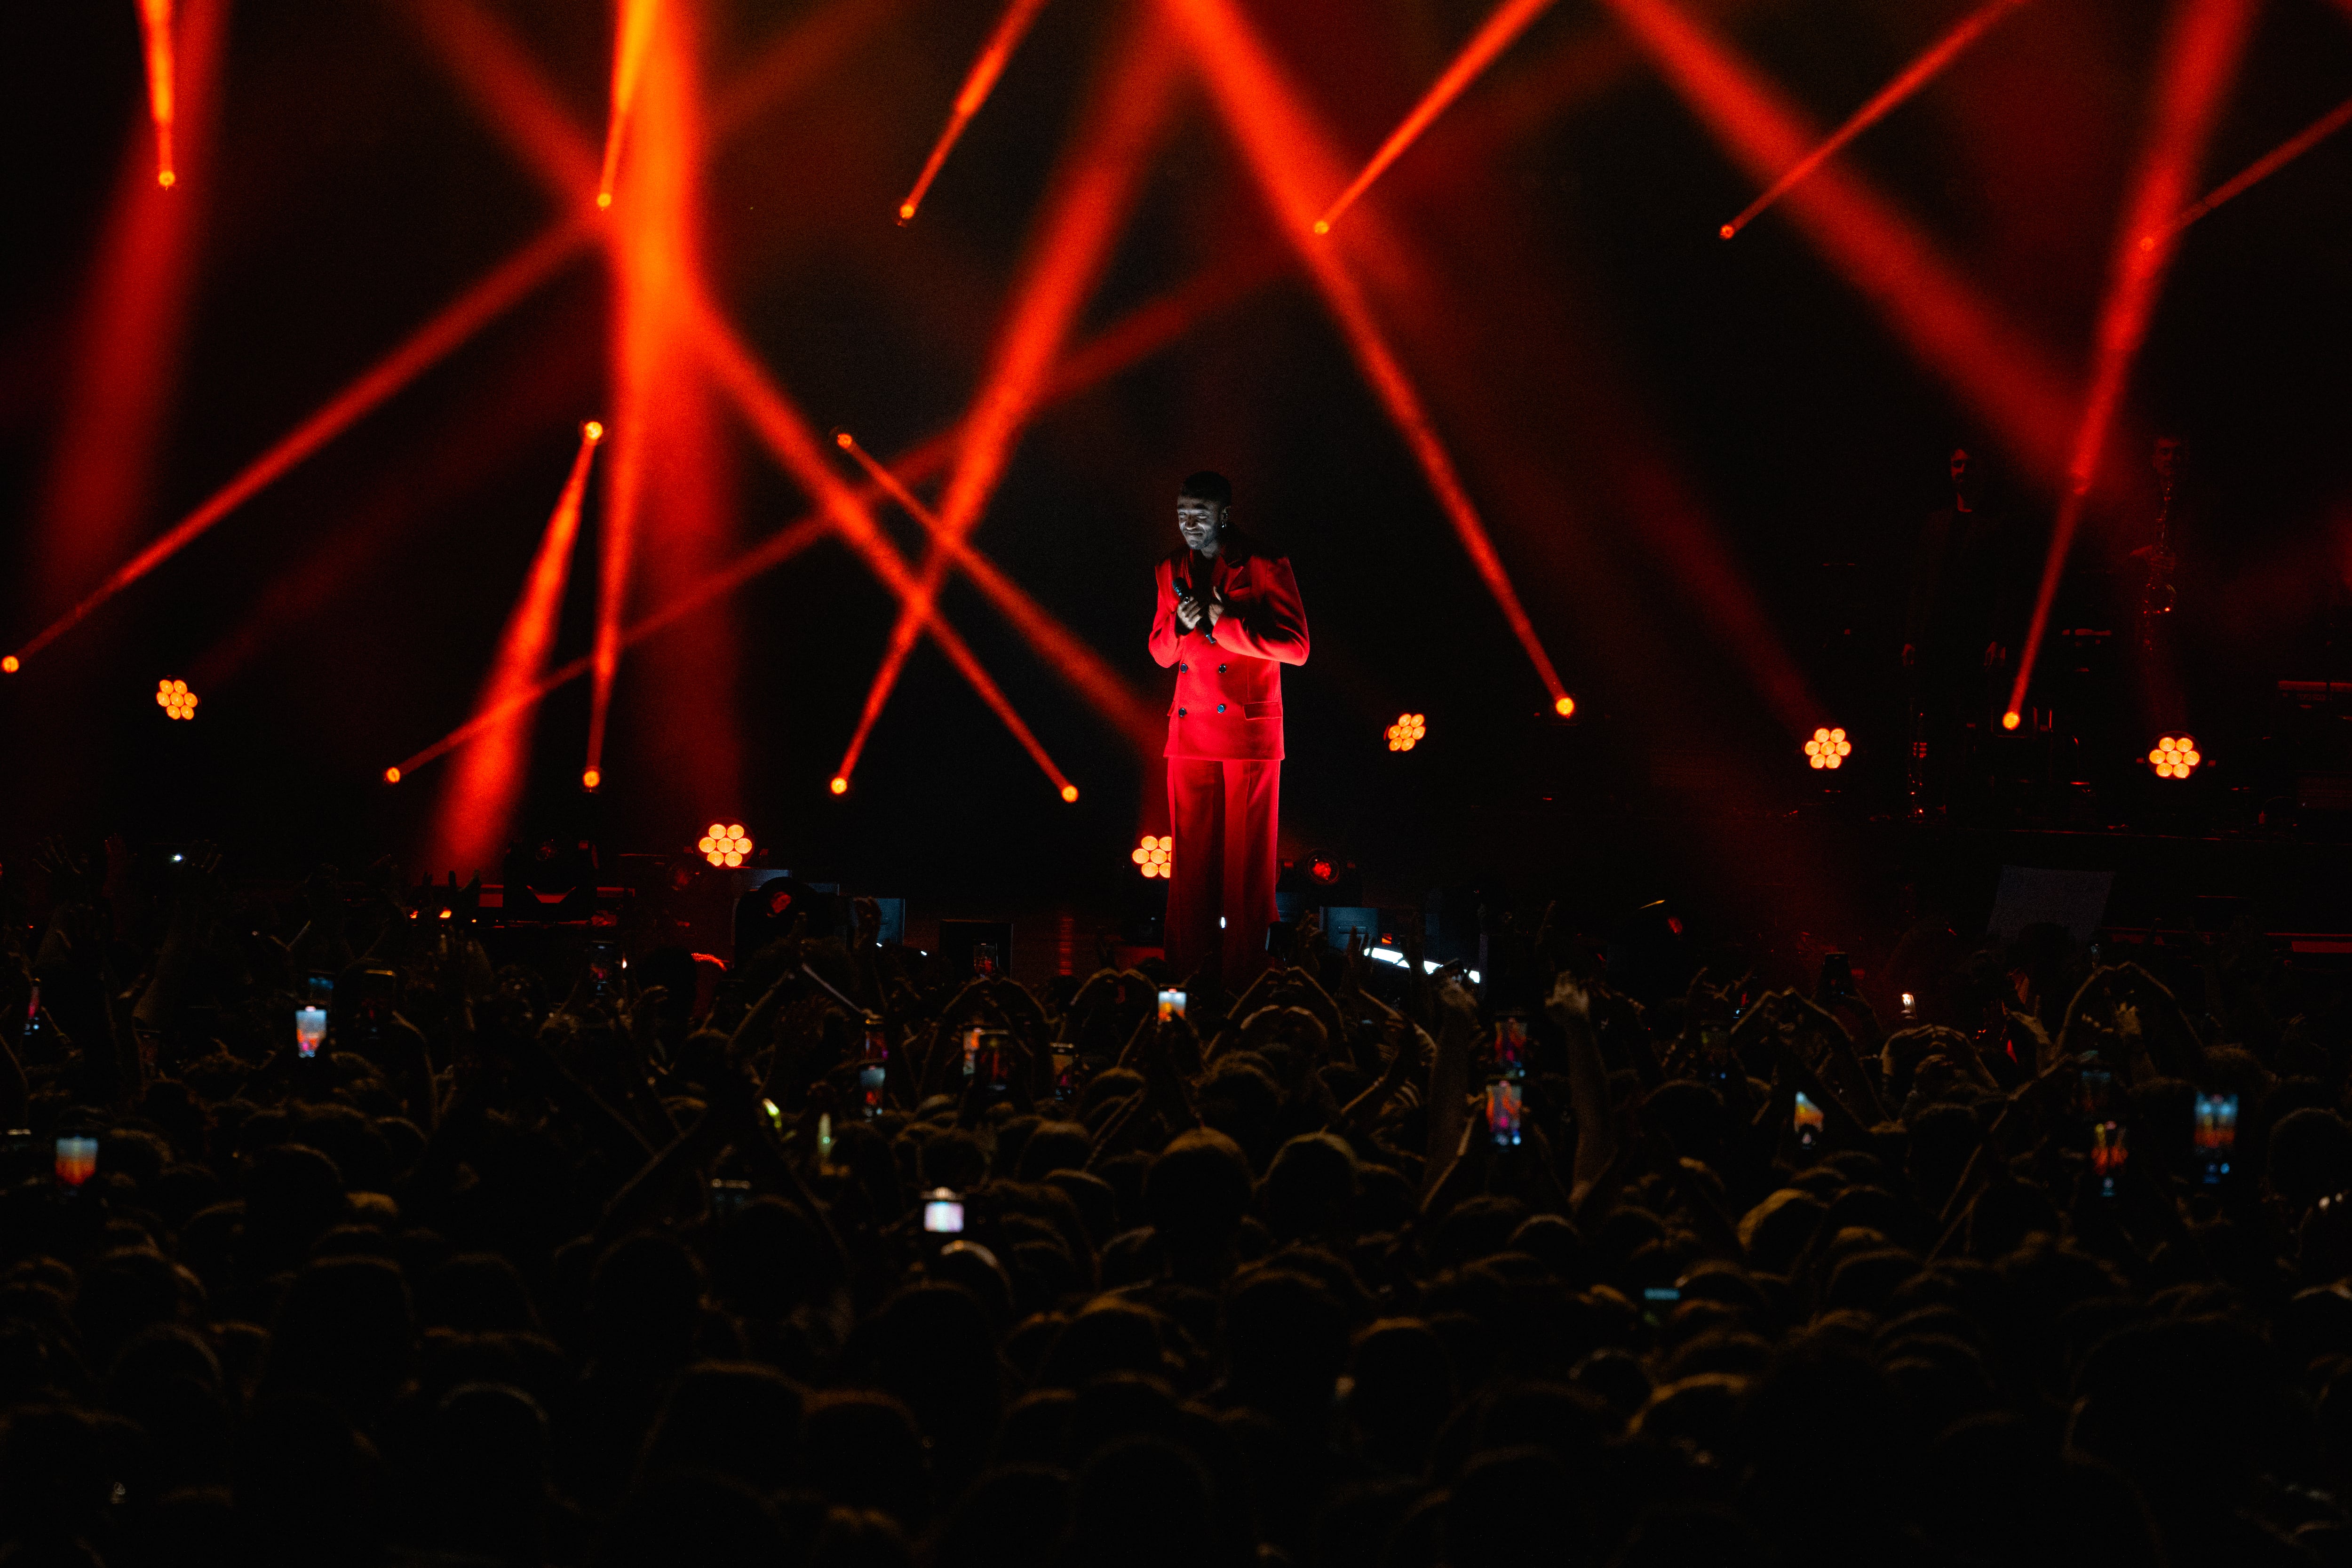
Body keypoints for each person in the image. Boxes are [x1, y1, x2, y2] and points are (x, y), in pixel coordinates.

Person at [1146, 471, 1309, 988]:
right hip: (1190, 733)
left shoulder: (1263, 563)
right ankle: (1184, 979)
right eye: (1181, 511)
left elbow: (1296, 648)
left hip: (1248, 734)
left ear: (1223, 513)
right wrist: (1178, 624)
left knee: (1246, 874)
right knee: (1189, 874)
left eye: (1198, 512)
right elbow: (1159, 652)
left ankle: (1245, 983)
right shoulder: (1168, 568)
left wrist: (1223, 622)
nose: (1188, 522)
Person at [1902, 446, 2019, 811]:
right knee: (1935, 719)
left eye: (1969, 465)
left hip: (1973, 635)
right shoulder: (1936, 522)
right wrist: (1912, 636)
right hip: (1937, 635)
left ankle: (1971, 797)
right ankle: (1934, 795)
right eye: (1957, 464)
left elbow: (2006, 583)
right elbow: (1920, 583)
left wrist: (1998, 636)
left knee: (1973, 718)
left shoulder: (1998, 523)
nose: (1962, 472)